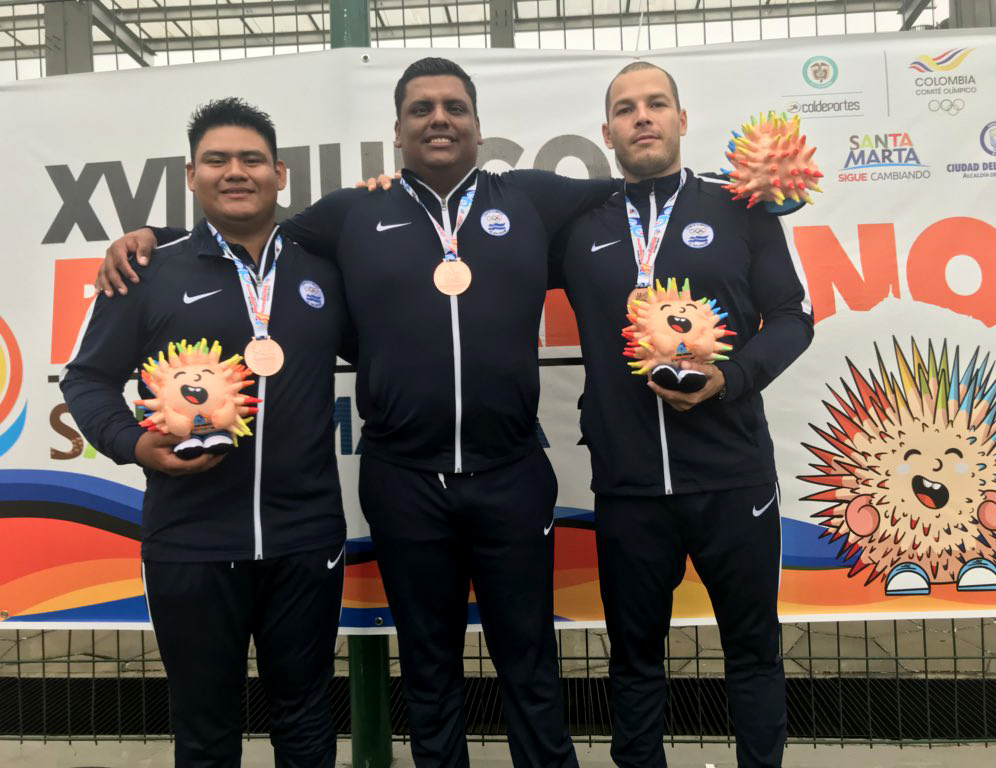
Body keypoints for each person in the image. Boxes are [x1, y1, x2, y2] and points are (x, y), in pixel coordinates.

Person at [94, 58, 619, 768]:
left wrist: (751, 191)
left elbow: (645, 190)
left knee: (530, 662)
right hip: (401, 480)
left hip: (511, 474)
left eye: (454, 107)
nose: (439, 119)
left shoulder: (528, 197)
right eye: (421, 109)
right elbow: (243, 227)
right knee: (426, 669)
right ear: (396, 131)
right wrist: (151, 235)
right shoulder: (352, 214)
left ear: (478, 125)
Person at [62, 98, 353, 768]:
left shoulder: (324, 269)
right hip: (189, 540)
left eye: (252, 159)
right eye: (217, 160)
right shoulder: (146, 270)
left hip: (305, 537)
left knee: (307, 722)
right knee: (204, 732)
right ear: (191, 176)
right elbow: (86, 378)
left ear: (280, 174)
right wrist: (134, 444)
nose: (236, 171)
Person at [549, 62, 814, 768]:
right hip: (629, 485)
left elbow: (792, 317)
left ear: (682, 120)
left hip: (734, 476)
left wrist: (730, 379)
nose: (642, 116)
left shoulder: (738, 207)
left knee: (753, 649)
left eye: (656, 103)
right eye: (626, 108)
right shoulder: (579, 226)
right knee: (634, 657)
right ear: (607, 132)